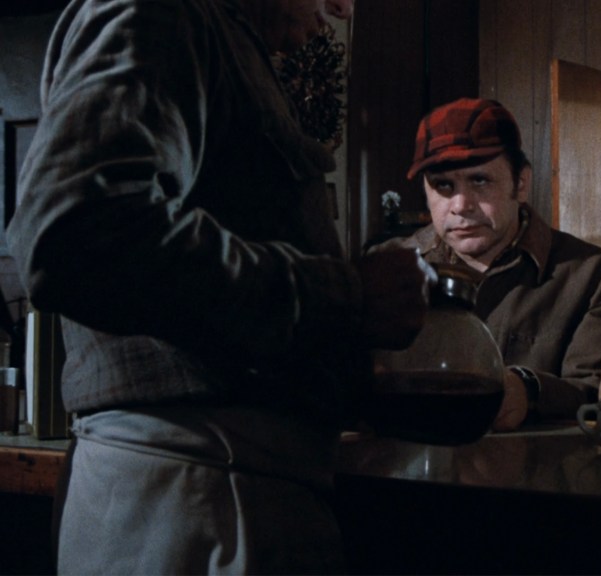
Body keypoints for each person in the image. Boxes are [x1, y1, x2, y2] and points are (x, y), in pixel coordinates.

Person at [8, 0, 434, 573]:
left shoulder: (209, 34)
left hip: (221, 492)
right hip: (203, 498)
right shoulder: (166, 14)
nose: (342, 8)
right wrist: (347, 294)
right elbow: (74, 232)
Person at [375, 98, 601, 431]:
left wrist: (530, 391)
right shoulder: (387, 269)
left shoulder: (591, 275)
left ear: (520, 183)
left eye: (479, 181)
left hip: (532, 476)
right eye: (443, 185)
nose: (461, 205)